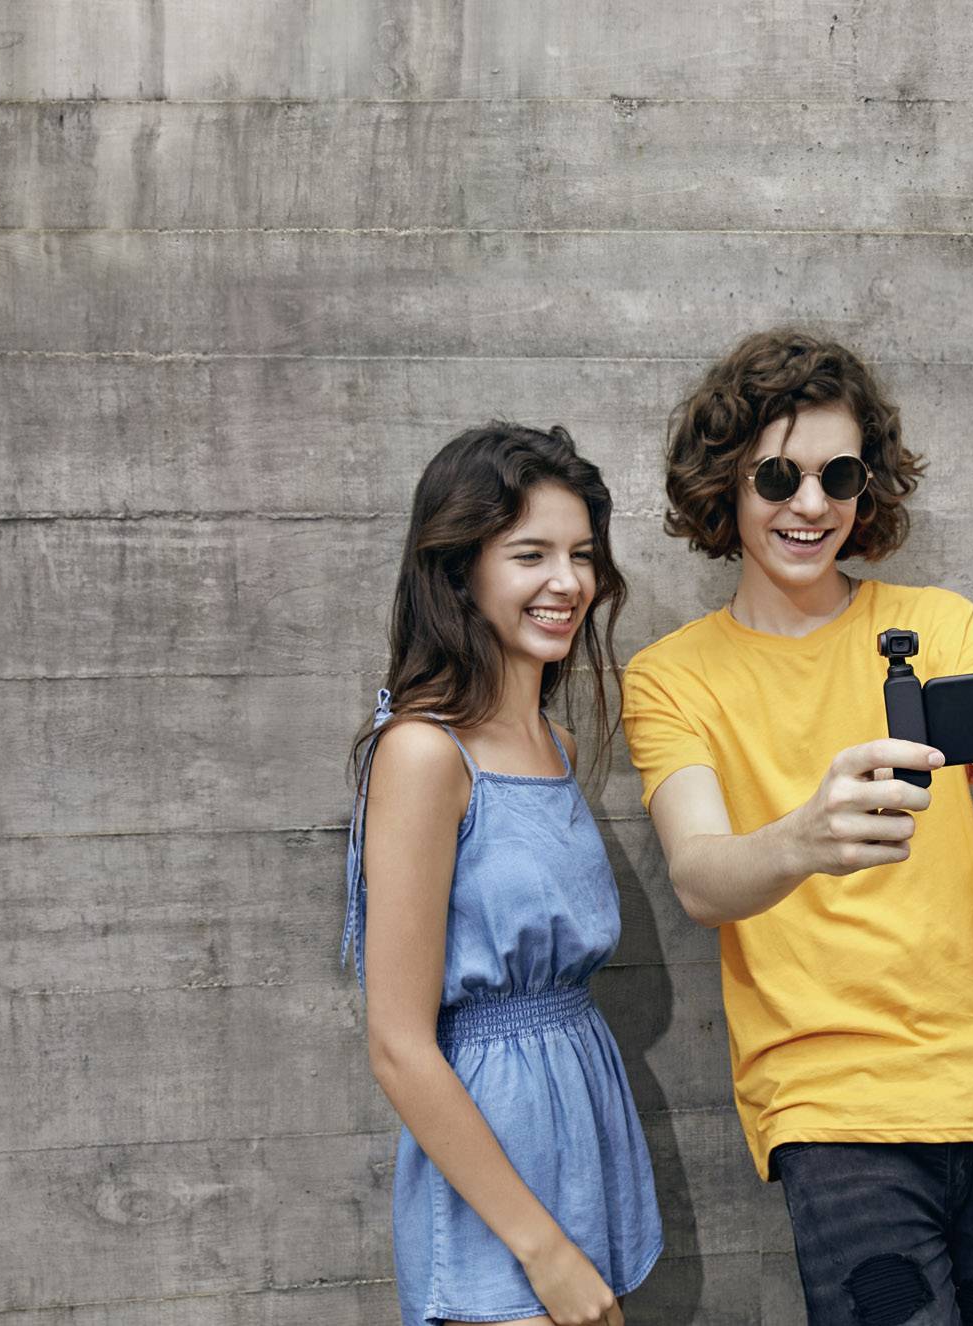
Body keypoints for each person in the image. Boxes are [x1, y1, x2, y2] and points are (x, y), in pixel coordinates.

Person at [619, 328, 973, 1325]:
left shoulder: (938, 625)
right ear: (726, 486)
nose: (811, 504)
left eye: (839, 476)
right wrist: (805, 838)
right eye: (778, 475)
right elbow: (701, 878)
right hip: (833, 1107)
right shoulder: (673, 674)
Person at [343, 423, 660, 1326]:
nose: (568, 582)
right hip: (497, 1176)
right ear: (459, 572)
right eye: (531, 554)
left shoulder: (551, 742)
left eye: (582, 555)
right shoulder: (422, 754)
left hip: (582, 1140)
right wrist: (544, 1249)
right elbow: (398, 1044)